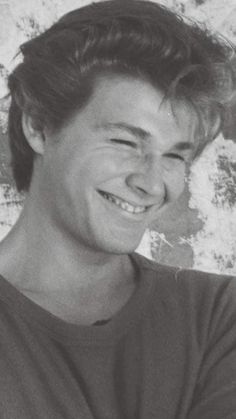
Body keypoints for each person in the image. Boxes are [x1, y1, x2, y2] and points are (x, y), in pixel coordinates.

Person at [0, 0, 235, 417]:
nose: (150, 182)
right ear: (37, 125)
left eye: (175, 156)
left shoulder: (218, 317)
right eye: (126, 143)